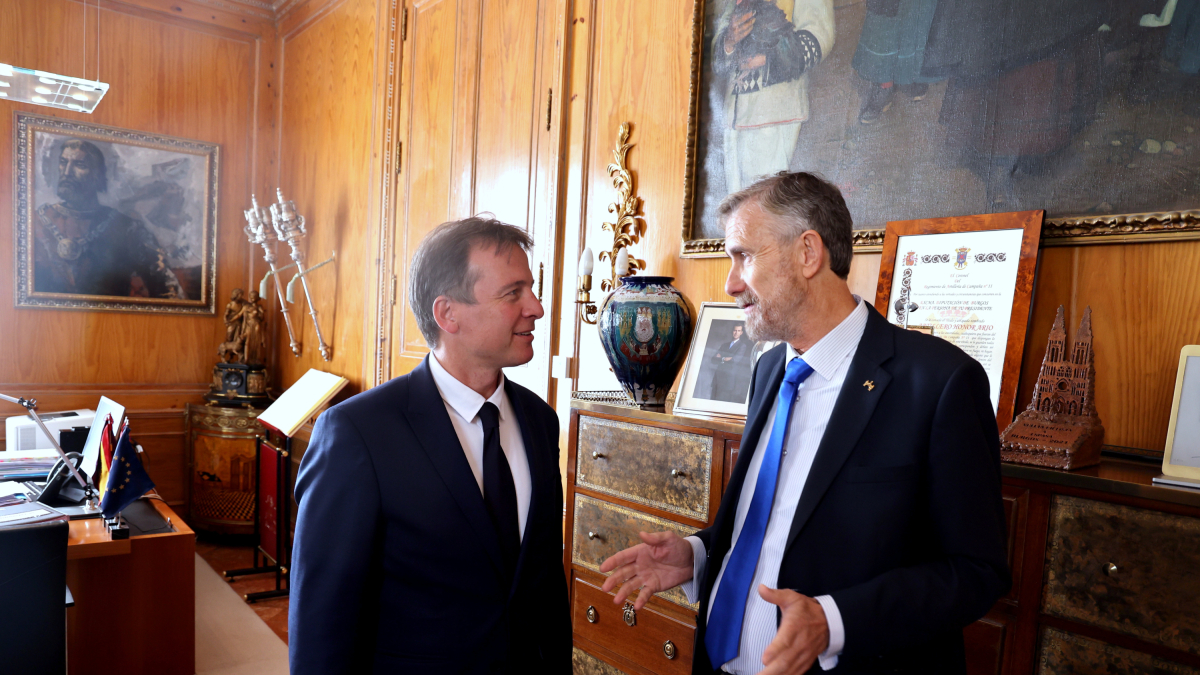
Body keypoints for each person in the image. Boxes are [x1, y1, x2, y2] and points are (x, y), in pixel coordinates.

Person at [600, 172, 1009, 674]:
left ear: (808, 253)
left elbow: (975, 572)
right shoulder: (771, 369)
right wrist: (699, 555)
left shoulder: (940, 383)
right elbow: (774, 526)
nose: (729, 283)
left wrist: (833, 621)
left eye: (743, 256)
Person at [289, 216, 570, 674]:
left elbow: (543, 587)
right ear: (448, 314)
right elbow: (322, 617)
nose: (536, 308)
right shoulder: (357, 432)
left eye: (531, 290)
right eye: (512, 293)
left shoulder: (540, 421)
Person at [33, 139, 182, 298]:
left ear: (98, 174)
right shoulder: (36, 222)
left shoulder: (127, 227)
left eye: (80, 165)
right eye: (63, 162)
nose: (67, 172)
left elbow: (168, 291)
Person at [713, 0, 835, 192]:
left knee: (767, 202)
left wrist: (768, 59)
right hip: (734, 115)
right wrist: (729, 40)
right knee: (737, 201)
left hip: (775, 114)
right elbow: (718, 48)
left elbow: (819, 35)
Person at [709, 323, 753, 402]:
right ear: (732, 331)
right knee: (712, 401)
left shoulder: (742, 346)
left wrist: (721, 358)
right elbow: (713, 359)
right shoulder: (724, 345)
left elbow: (734, 360)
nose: (736, 332)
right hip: (717, 378)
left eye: (738, 331)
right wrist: (725, 359)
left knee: (722, 402)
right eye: (734, 330)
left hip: (728, 380)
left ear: (741, 333)